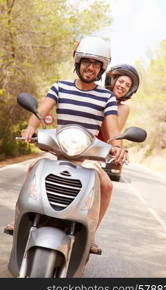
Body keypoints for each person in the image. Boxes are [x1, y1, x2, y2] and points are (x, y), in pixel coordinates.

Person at [5, 36, 128, 254]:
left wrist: (117, 147)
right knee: (33, 168)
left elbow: (113, 131)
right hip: (59, 152)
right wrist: (31, 127)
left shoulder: (106, 98)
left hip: (88, 157)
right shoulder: (60, 87)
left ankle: (91, 234)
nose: (90, 67)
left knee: (107, 186)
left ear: (102, 68)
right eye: (85, 62)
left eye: (96, 63)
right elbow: (40, 111)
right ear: (77, 63)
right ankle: (20, 218)